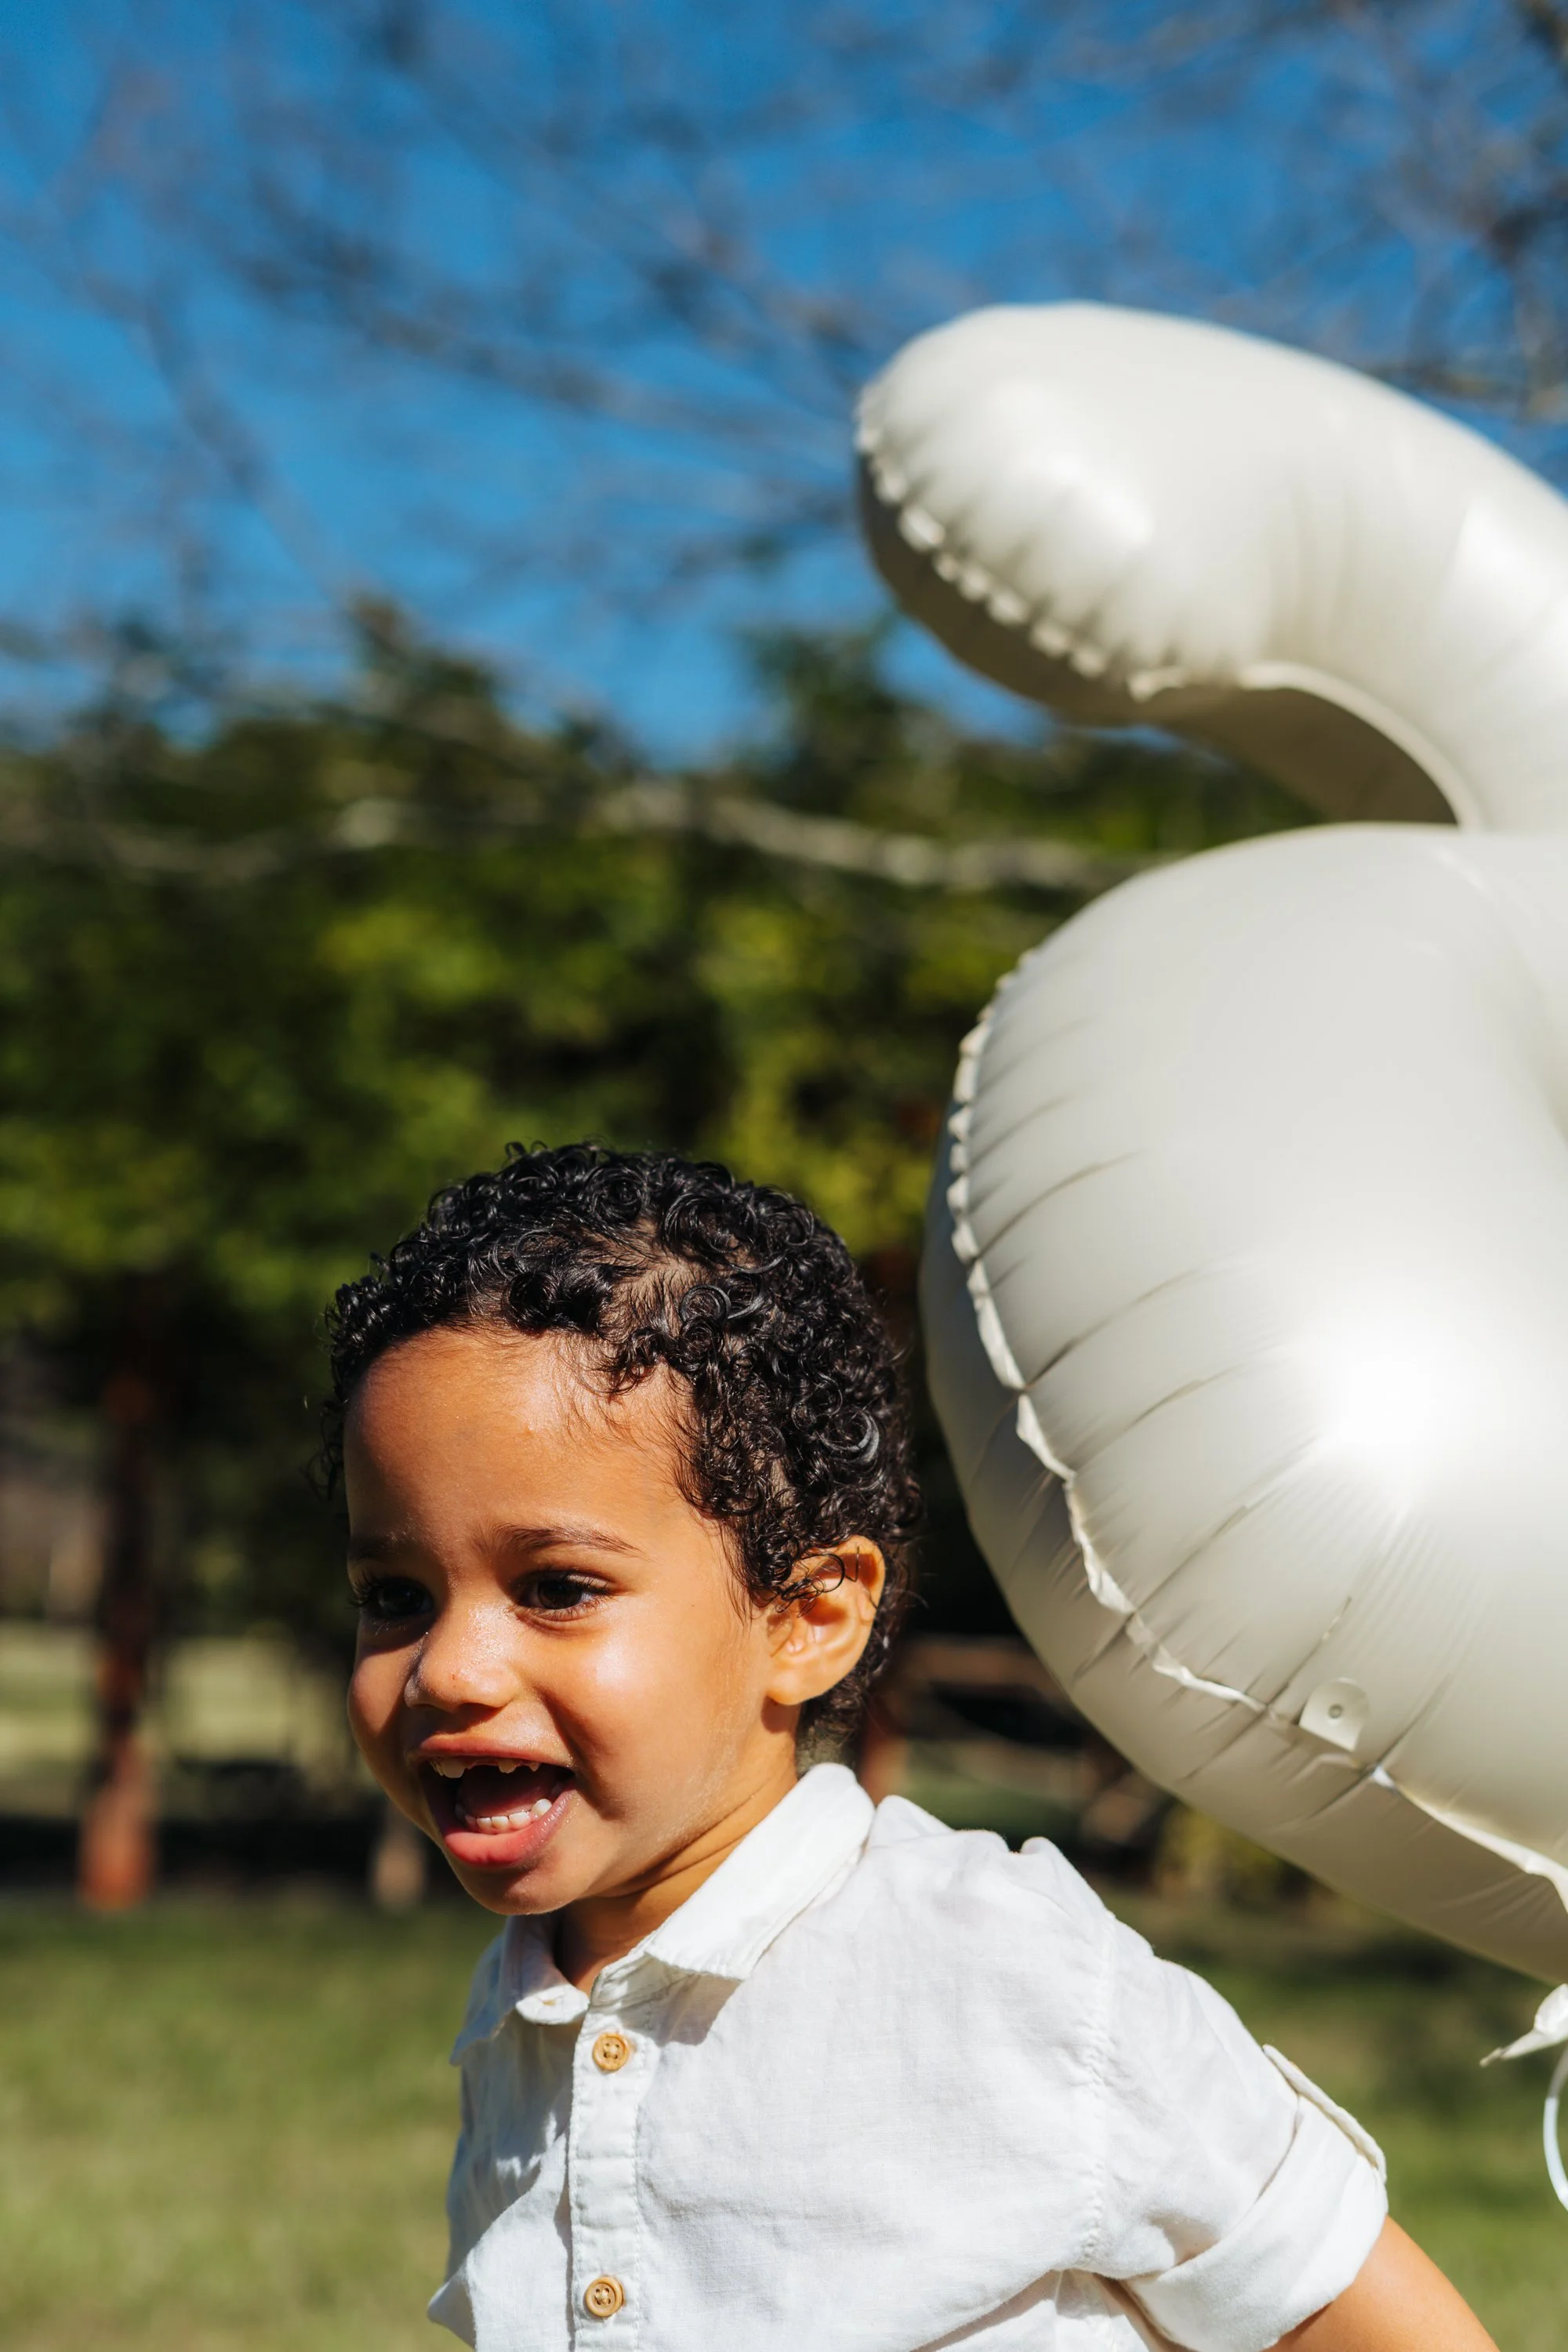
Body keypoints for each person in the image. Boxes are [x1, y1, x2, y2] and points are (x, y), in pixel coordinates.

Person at [327, 1142, 1497, 2352]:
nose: (450, 1670)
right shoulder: (519, 2003)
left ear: (809, 1619)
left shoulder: (1010, 1972)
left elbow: (1359, 2313)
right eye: (396, 1594)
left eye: (557, 1587)